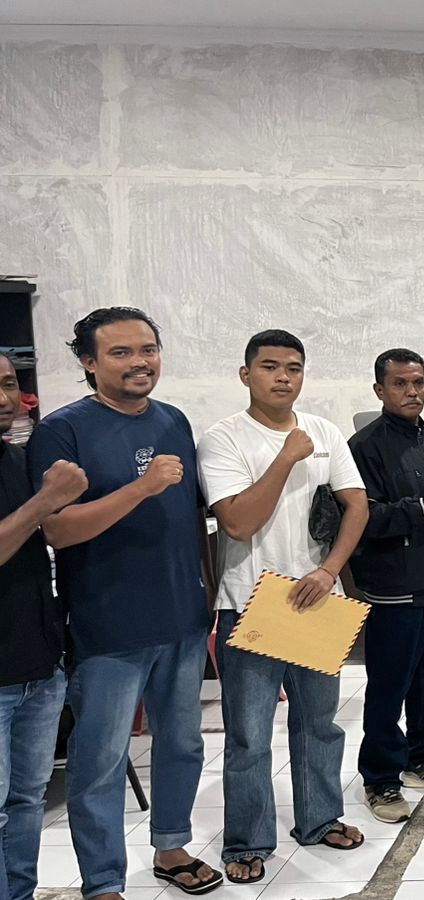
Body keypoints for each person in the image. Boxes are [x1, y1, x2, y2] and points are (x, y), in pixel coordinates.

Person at [28, 308, 221, 898]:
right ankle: (103, 881)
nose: (140, 362)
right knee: (102, 761)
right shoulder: (62, 431)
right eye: (120, 352)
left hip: (182, 618)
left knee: (183, 744)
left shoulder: (173, 420)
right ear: (89, 363)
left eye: (148, 349)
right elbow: (57, 530)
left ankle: (171, 846)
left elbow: (192, 518)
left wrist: (207, 592)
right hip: (108, 627)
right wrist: (141, 487)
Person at [198, 330, 371, 884]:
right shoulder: (223, 438)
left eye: (293, 368)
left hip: (316, 599)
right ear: (245, 374)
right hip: (251, 603)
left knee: (320, 723)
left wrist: (329, 570)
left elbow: (357, 506)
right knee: (249, 735)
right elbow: (238, 522)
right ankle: (247, 840)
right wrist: (286, 456)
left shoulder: (324, 431)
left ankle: (320, 819)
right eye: (270, 366)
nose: (283, 377)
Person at [346, 349, 424, 824]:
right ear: (379, 390)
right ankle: (380, 779)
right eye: (400, 384)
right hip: (394, 590)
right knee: (389, 688)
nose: (412, 392)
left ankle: (423, 757)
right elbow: (363, 517)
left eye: (418, 382)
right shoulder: (364, 446)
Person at [0, 352, 87, 900]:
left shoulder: (17, 459)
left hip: (39, 664)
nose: (4, 399)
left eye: (9, 384)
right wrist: (46, 501)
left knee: (27, 799)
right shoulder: (34, 478)